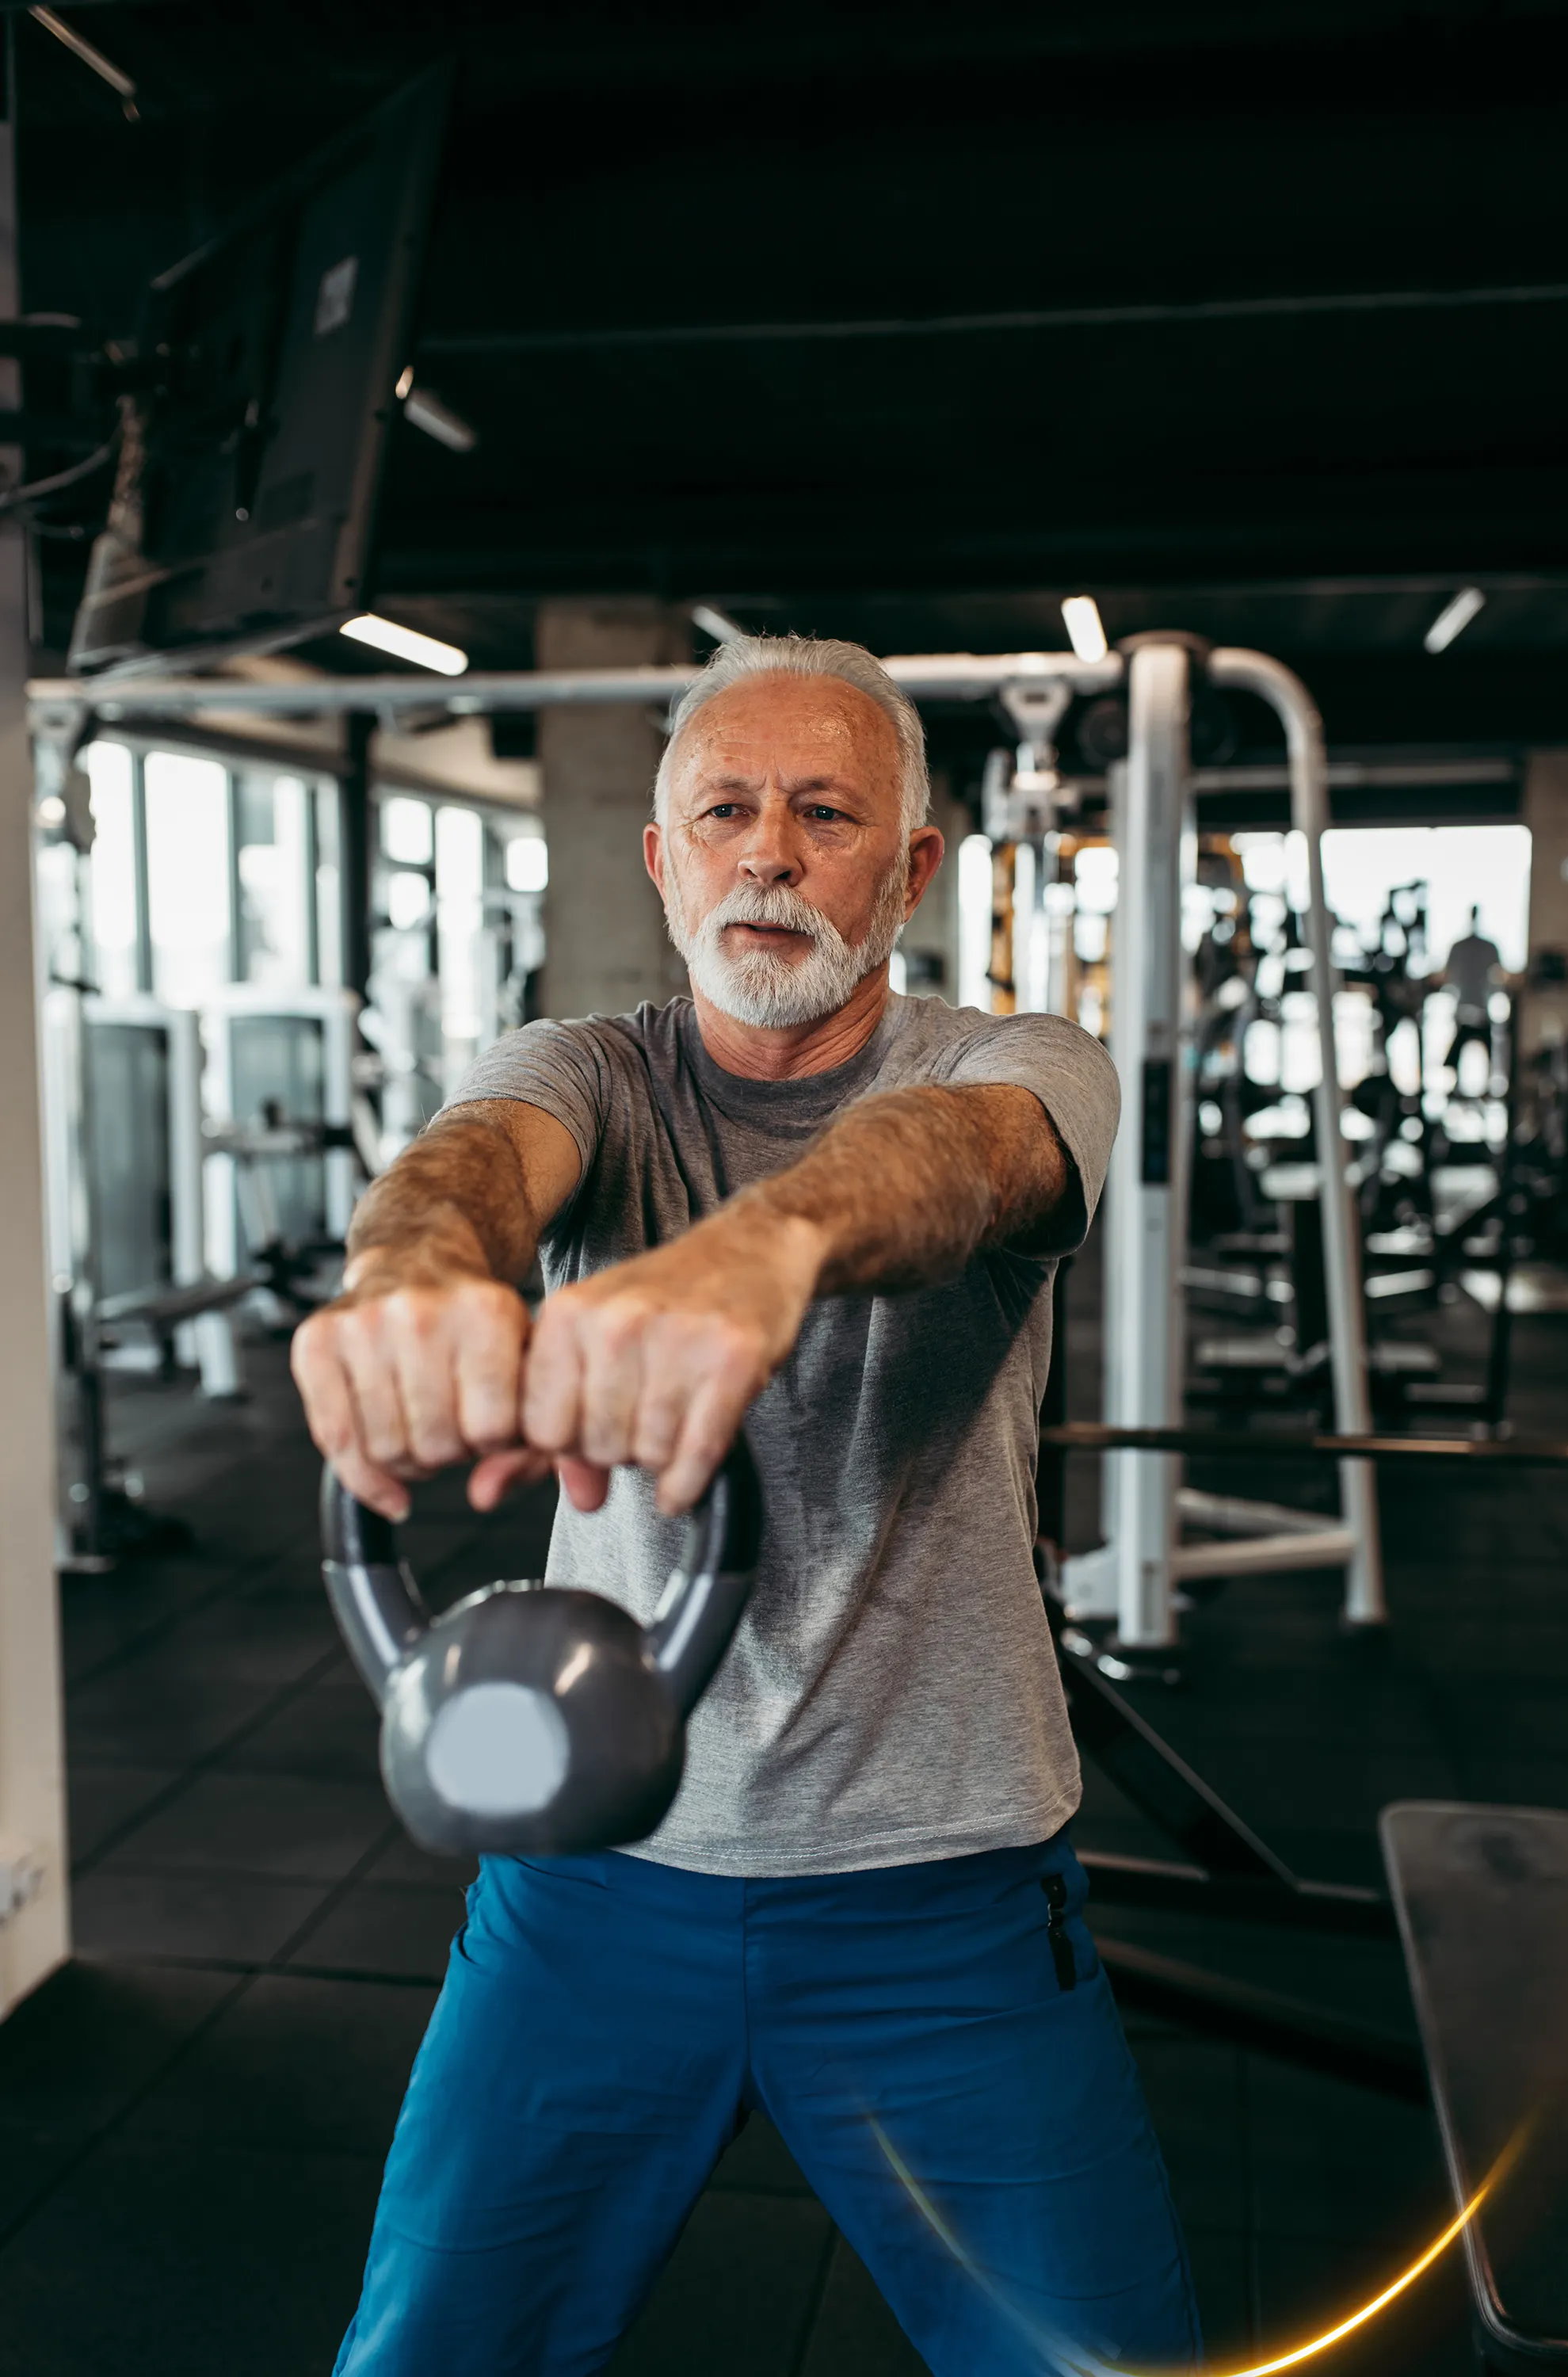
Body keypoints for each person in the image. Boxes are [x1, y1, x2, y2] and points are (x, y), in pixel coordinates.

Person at [292, 635, 1200, 2377]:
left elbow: (970, 1160)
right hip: (595, 1883)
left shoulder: (1022, 1063)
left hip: (942, 1894)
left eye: (824, 814)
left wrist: (762, 1250)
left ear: (910, 872)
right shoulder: (588, 1072)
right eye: (725, 812)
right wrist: (412, 1276)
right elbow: (468, 1165)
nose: (768, 852)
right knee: (429, 2353)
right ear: (664, 859)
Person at [1440, 906, 1505, 1094]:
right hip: (1464, 1006)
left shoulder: (1488, 946)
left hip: (1481, 1006)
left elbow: (1498, 976)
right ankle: (1456, 1082)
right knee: (1460, 1045)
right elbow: (1448, 976)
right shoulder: (1459, 946)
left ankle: (1488, 1084)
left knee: (1487, 1047)